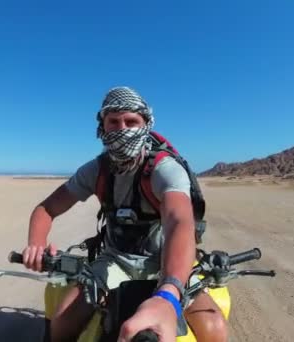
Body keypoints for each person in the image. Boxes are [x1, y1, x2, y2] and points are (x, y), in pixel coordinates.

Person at [22, 86, 228, 342]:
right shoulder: (96, 171)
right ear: (102, 127)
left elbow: (179, 221)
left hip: (166, 263)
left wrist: (168, 293)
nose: (122, 129)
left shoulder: (165, 169)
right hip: (114, 261)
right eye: (114, 122)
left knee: (214, 326)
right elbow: (46, 209)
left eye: (131, 122)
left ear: (146, 125)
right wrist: (36, 245)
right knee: (63, 323)